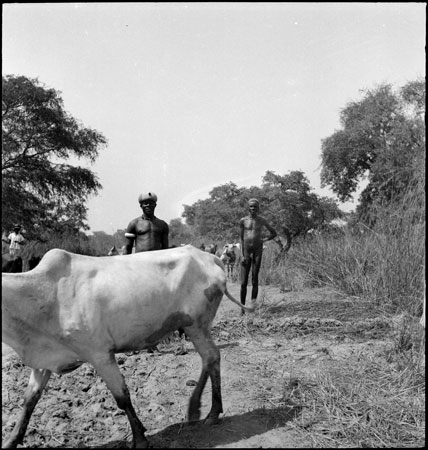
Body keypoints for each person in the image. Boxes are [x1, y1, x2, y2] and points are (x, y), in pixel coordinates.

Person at [239, 199, 279, 314]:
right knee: (243, 282)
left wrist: (264, 240)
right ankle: (242, 308)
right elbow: (241, 238)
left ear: (258, 208)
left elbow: (274, 233)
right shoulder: (243, 221)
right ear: (248, 208)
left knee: (255, 279)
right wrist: (242, 255)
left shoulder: (262, 220)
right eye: (251, 207)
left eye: (255, 207)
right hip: (246, 251)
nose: (253, 209)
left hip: (257, 251)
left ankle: (252, 307)